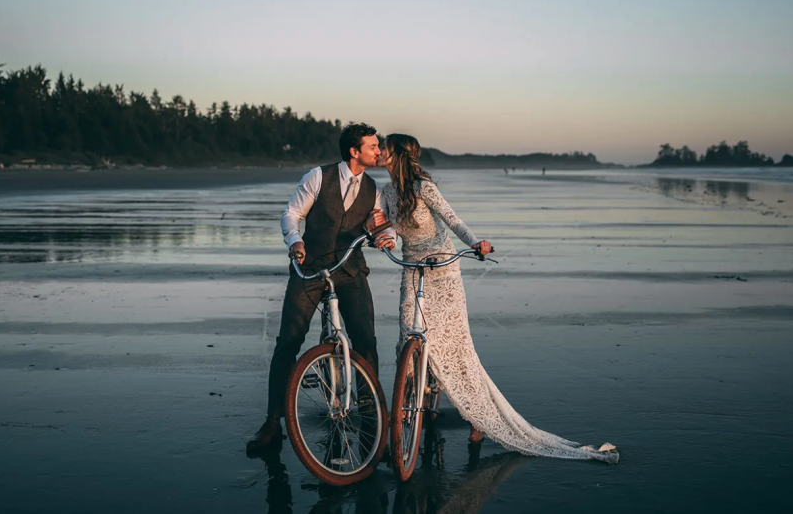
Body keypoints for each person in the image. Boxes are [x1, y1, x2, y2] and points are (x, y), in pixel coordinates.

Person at [371, 133, 618, 463]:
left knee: (455, 347)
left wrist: (475, 243)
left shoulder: (423, 187)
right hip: (411, 266)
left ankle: (477, 417)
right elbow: (389, 226)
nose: (380, 151)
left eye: (384, 147)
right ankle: (402, 413)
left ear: (398, 154)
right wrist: (385, 238)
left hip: (442, 269)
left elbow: (452, 219)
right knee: (407, 337)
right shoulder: (387, 191)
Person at [246, 123, 395, 455]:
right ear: (354, 151)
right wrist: (295, 241)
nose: (378, 150)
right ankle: (272, 423)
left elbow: (380, 223)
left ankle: (371, 419)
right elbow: (291, 213)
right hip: (310, 269)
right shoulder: (318, 177)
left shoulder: (374, 188)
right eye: (372, 146)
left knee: (366, 341)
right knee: (289, 341)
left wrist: (387, 237)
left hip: (350, 271)